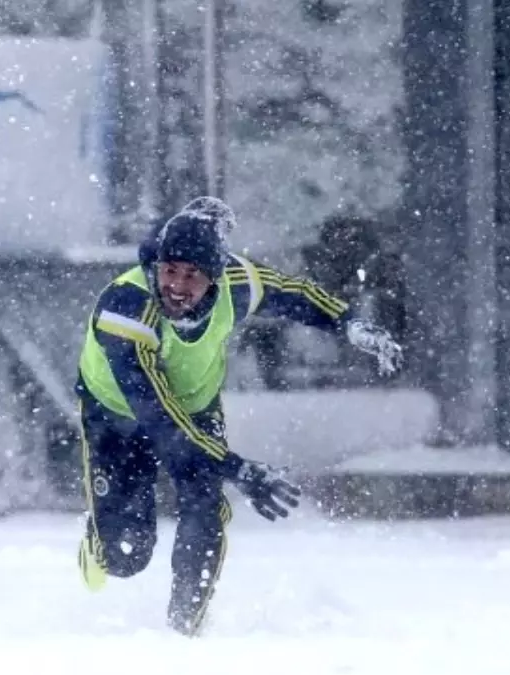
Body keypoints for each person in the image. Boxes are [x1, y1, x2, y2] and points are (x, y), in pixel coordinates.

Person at [74, 197, 403, 635]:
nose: (176, 286)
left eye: (192, 276)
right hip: (117, 416)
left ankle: (183, 631)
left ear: (215, 277)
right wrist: (239, 469)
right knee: (126, 557)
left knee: (205, 506)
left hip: (195, 405)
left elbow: (294, 294)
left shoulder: (239, 281)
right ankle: (99, 542)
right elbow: (161, 421)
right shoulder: (126, 309)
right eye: (169, 271)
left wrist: (348, 324)